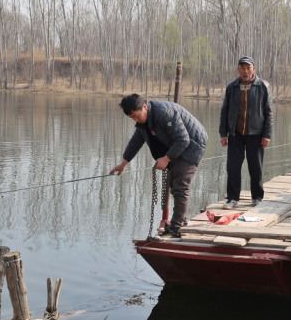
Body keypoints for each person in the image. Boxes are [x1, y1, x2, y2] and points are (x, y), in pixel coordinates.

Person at [110, 94, 208, 238]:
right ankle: (180, 222)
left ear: (144, 107)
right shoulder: (144, 122)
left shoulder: (163, 113)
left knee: (181, 186)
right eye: (132, 118)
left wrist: (166, 158)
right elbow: (136, 141)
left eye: (137, 116)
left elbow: (183, 139)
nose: (136, 120)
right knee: (175, 185)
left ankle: (176, 227)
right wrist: (123, 163)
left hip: (193, 144)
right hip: (178, 144)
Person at [219, 56, 273, 209]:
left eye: (248, 68)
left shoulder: (263, 86)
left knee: (255, 167)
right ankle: (232, 199)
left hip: (256, 134)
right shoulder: (232, 87)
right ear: (238, 69)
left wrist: (267, 135)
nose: (245, 71)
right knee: (233, 167)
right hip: (235, 133)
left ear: (253, 69)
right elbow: (225, 111)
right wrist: (223, 133)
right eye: (242, 68)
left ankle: (257, 197)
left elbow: (269, 113)